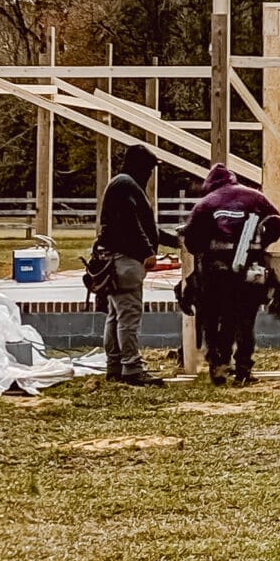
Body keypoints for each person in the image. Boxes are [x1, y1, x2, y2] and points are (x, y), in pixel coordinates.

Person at [183, 161, 280, 386]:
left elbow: (191, 239)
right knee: (245, 320)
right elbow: (277, 222)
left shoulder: (206, 203)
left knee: (213, 318)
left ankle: (217, 364)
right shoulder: (255, 197)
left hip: (215, 271)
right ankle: (243, 369)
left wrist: (204, 251)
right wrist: (263, 243)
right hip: (249, 267)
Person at [96, 142, 163, 387]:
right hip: (124, 260)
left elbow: (143, 225)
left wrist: (173, 239)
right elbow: (130, 224)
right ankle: (132, 368)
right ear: (141, 166)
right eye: (149, 168)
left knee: (115, 315)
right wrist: (147, 251)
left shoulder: (123, 184)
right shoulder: (126, 185)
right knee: (128, 315)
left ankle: (114, 366)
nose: (150, 174)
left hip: (114, 258)